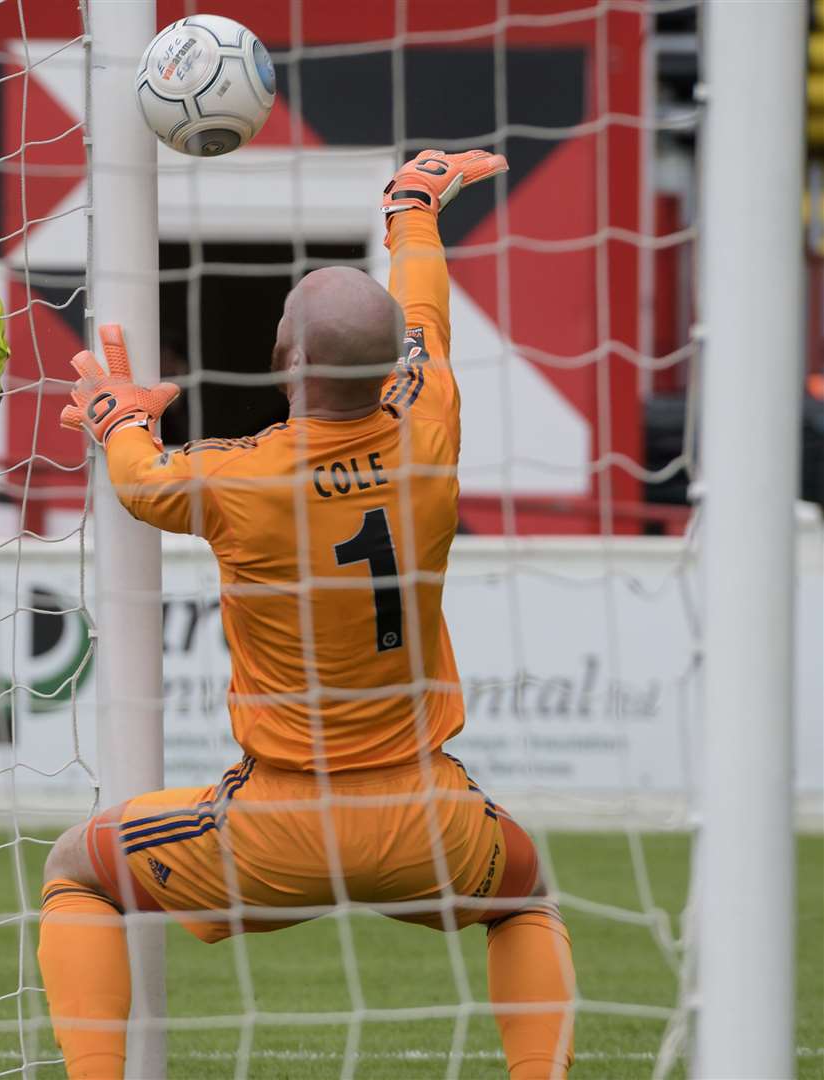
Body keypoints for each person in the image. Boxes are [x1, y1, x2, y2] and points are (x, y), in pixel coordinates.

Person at [36, 150, 576, 1080]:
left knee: (76, 871)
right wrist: (411, 208)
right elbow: (424, 317)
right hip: (424, 818)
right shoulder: (429, 420)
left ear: (283, 356)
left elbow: (137, 480)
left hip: (276, 832)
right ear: (390, 366)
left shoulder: (237, 479)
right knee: (526, 904)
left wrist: (119, 415)